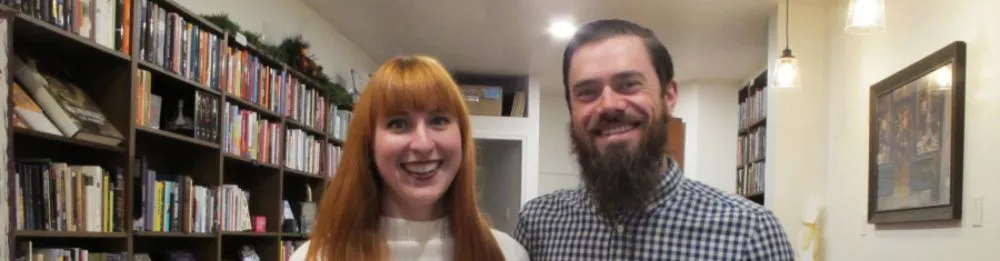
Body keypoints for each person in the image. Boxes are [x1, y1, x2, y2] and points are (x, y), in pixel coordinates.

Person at [513, 19, 795, 260]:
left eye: (629, 85)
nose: (609, 105)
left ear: (669, 96)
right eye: (587, 92)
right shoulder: (538, 225)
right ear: (571, 108)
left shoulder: (750, 232)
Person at [289, 55, 529, 261]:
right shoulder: (315, 257)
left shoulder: (506, 255)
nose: (423, 144)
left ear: (462, 136)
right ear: (368, 143)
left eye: (438, 120)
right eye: (398, 124)